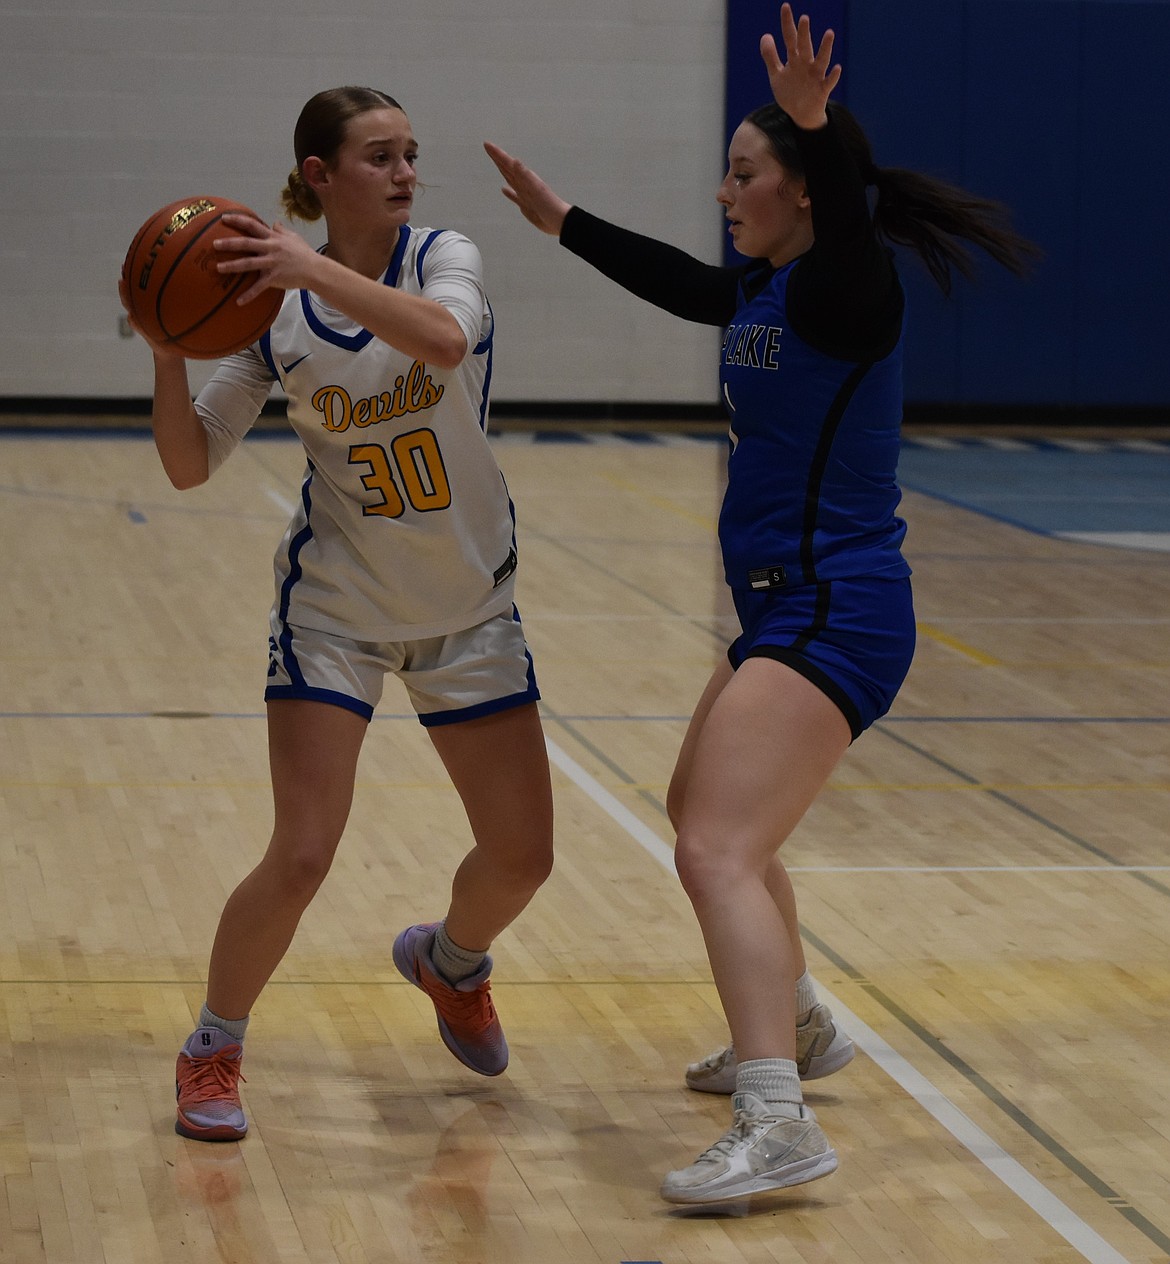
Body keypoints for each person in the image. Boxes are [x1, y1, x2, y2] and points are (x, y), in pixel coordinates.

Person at [485, 4, 1035, 1204]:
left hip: (839, 606)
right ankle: (798, 1020)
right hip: (785, 610)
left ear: (800, 190)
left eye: (746, 172)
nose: (725, 190)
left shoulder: (851, 291)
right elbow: (684, 280)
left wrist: (814, 126)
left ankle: (777, 1118)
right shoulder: (765, 298)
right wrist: (562, 221)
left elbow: (843, 228)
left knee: (713, 845)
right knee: (706, 811)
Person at [122, 86, 554, 1142]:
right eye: (378, 155)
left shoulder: (442, 257)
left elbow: (445, 344)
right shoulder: (273, 314)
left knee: (522, 858)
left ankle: (449, 963)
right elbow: (188, 466)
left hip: (469, 606)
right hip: (338, 609)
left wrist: (305, 267)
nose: (405, 172)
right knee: (305, 851)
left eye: (410, 153)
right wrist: (166, 349)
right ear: (319, 175)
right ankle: (213, 1047)